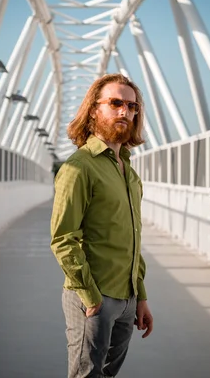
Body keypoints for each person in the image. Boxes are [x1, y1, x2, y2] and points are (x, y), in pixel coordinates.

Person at [50, 73, 153, 378]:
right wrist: (91, 297)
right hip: (94, 298)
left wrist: (141, 297)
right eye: (116, 103)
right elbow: (63, 238)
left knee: (107, 376)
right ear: (94, 109)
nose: (126, 112)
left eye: (132, 106)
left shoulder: (129, 173)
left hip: (127, 300)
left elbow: (132, 239)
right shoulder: (79, 167)